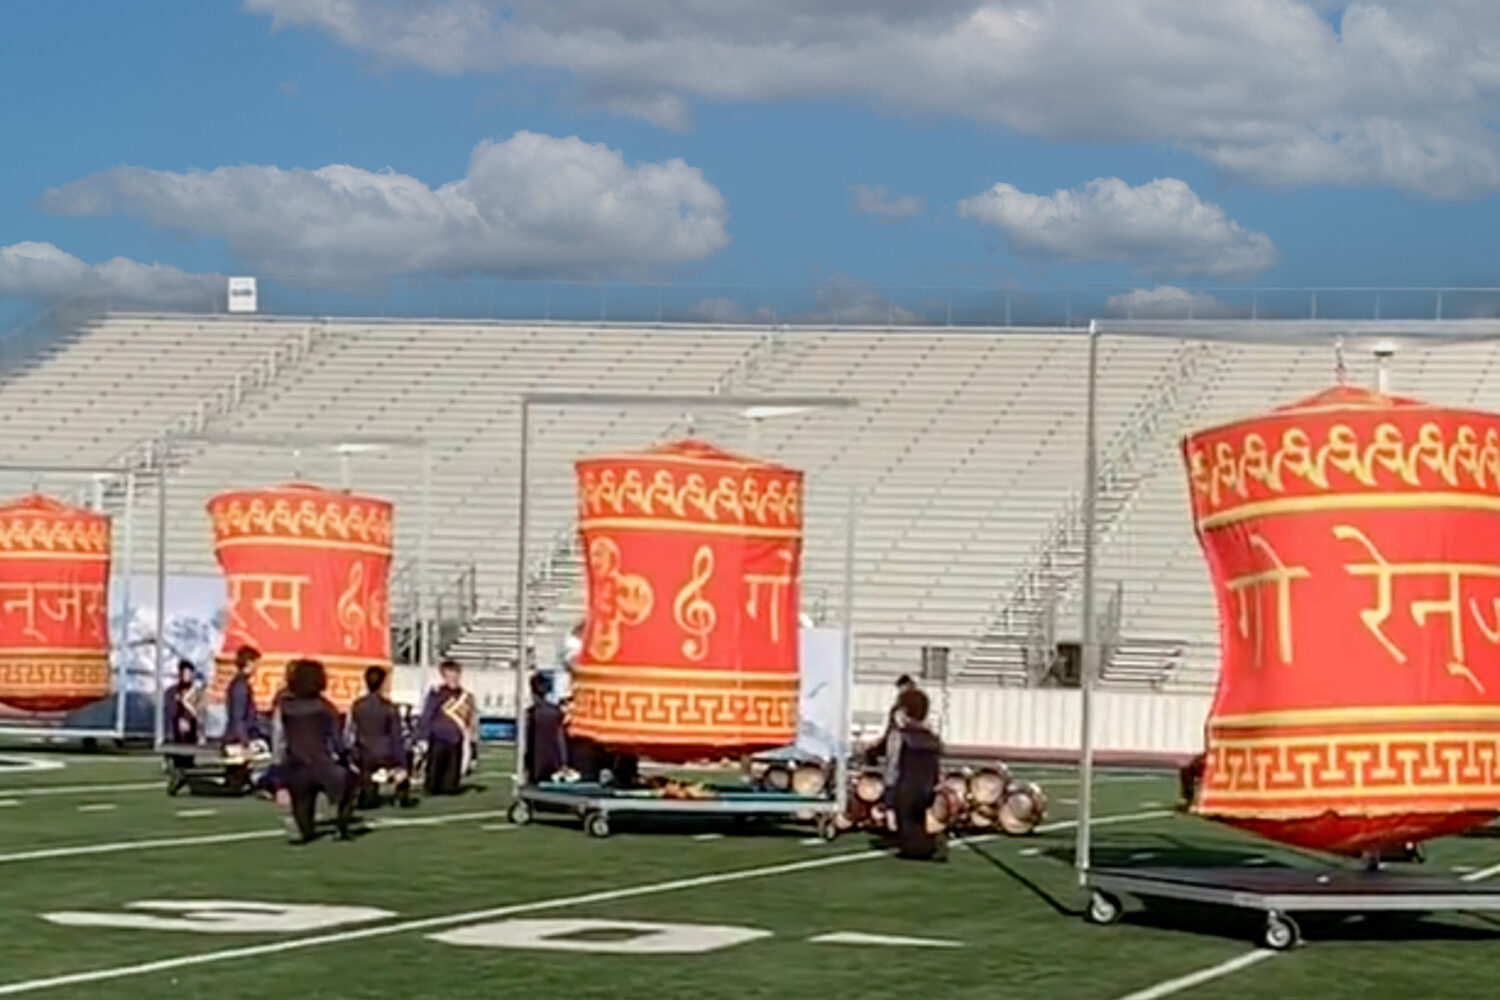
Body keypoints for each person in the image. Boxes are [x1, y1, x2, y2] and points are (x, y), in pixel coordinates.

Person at [272, 658, 356, 843]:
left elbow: (278, 740)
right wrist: (346, 759)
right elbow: (338, 743)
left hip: (295, 768)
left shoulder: (285, 707)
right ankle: (341, 825)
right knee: (350, 782)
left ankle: (302, 825)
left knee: (303, 816)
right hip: (323, 767)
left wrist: (279, 770)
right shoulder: (325, 707)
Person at [888, 687, 945, 861]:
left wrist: (888, 799)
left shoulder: (900, 735)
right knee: (923, 822)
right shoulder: (932, 737)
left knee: (908, 826)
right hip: (928, 788)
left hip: (906, 788)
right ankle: (928, 844)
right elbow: (937, 767)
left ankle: (914, 847)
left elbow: (893, 766)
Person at [348, 665, 411, 807]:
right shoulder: (388, 707)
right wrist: (402, 763)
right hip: (385, 753)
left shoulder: (357, 706)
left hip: (364, 753)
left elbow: (351, 731)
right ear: (382, 683)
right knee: (405, 758)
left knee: (367, 775)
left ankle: (366, 792)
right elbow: (397, 736)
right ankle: (402, 794)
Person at [417, 659, 476, 796]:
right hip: (438, 737)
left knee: (451, 785)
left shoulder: (465, 696)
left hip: (456, 738)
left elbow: (470, 718)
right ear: (443, 675)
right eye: (449, 674)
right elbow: (427, 714)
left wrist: (472, 738)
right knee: (433, 778)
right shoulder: (437, 693)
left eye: (456, 673)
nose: (453, 677)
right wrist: (422, 737)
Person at [523, 672, 567, 785]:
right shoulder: (556, 711)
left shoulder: (532, 713)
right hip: (554, 761)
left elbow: (528, 740)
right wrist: (563, 761)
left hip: (536, 762)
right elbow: (560, 738)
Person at [223, 645, 264, 745]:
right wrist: (245, 743)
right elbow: (238, 717)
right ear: (249, 663)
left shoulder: (241, 683)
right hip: (237, 740)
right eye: (256, 663)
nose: (257, 667)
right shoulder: (240, 686)